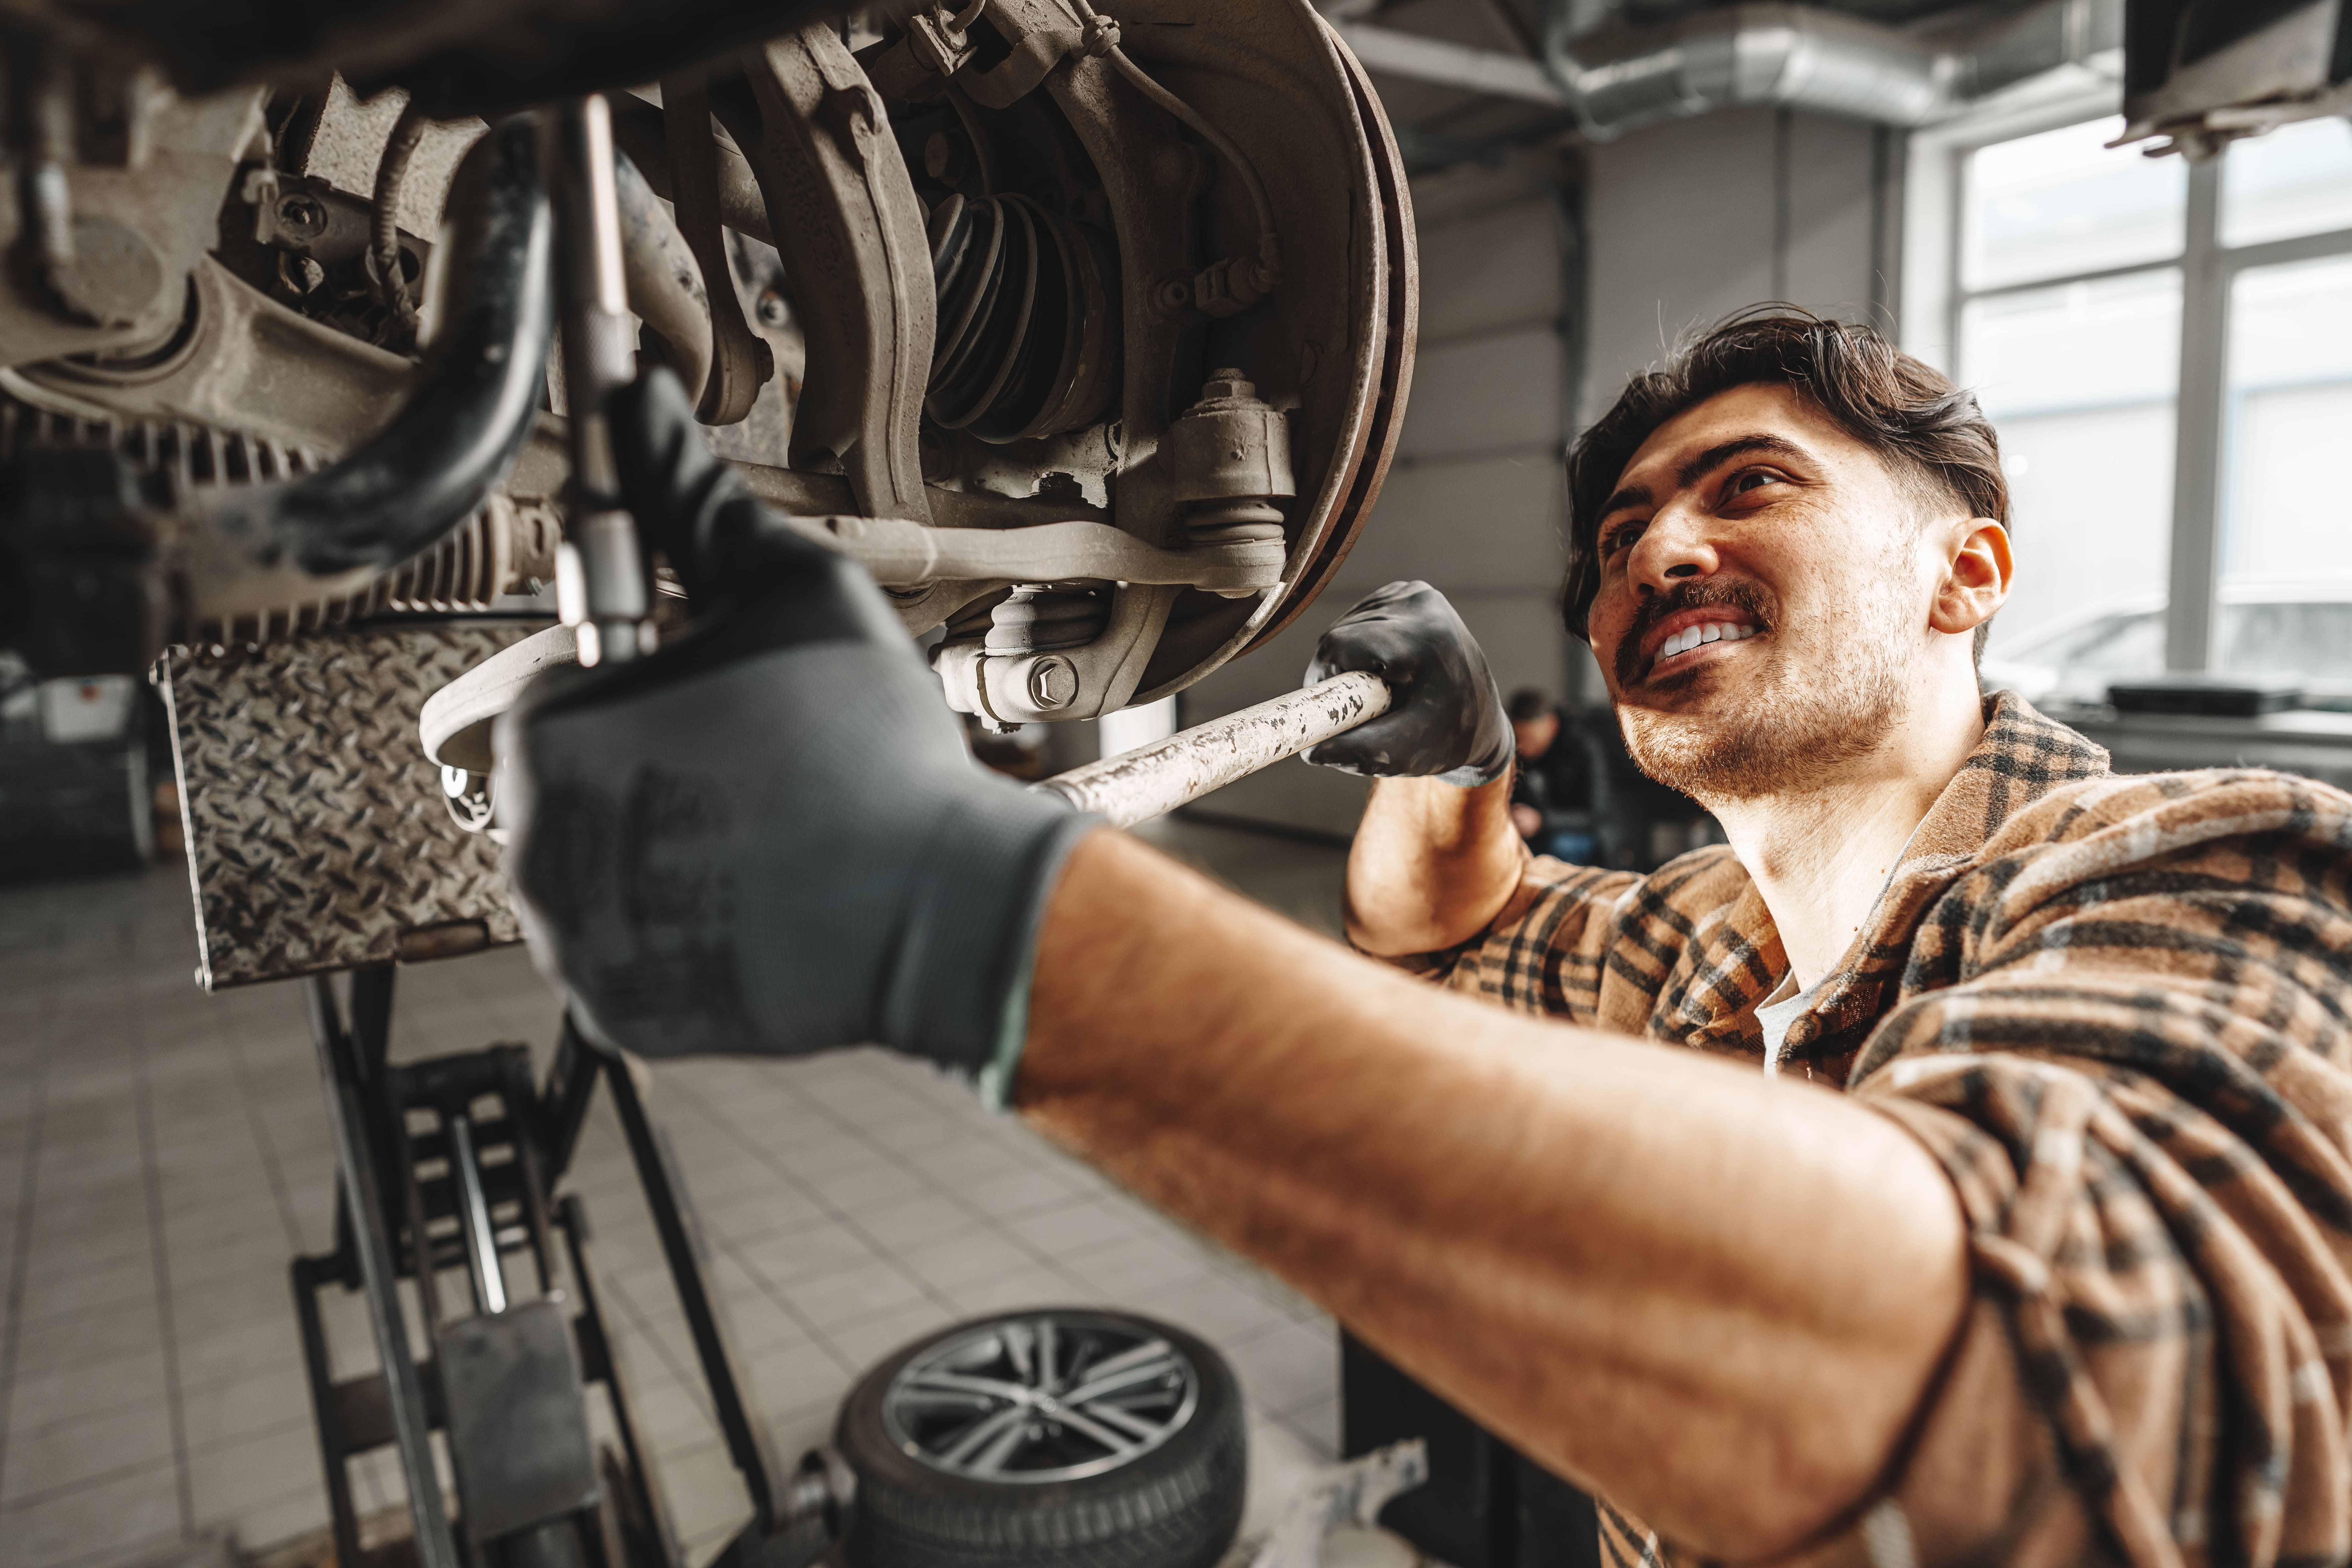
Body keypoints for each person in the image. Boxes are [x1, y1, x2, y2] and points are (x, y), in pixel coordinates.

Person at [498, 312, 2352, 1566]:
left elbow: (2091, 1393)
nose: (1657, 556)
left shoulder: (2205, 864)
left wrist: (972, 921)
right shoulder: (1703, 951)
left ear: (1970, 573)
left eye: (1749, 486)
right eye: (1621, 537)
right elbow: (1437, 935)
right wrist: (1459, 759)